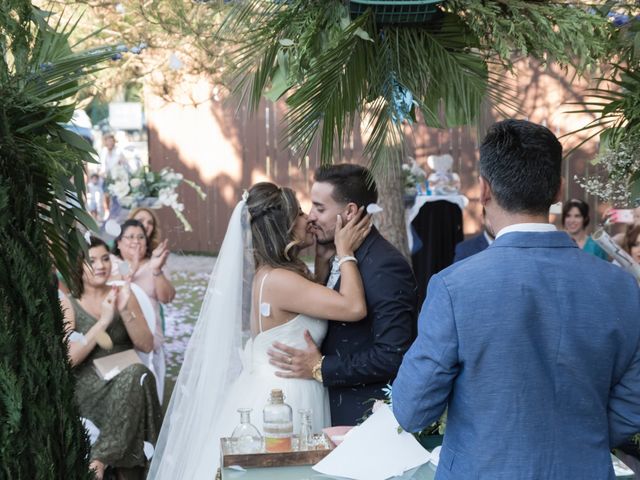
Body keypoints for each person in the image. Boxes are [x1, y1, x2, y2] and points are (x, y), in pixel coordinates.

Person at [393, 119, 640, 479]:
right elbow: (632, 400)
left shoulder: (454, 286)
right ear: (558, 190)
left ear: (484, 190)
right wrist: (582, 437)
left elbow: (413, 408)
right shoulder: (620, 286)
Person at [148, 182, 372, 479]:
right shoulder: (281, 281)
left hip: (275, 388)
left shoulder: (270, 274)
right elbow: (354, 307)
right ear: (287, 226)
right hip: (286, 401)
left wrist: (321, 262)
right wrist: (345, 253)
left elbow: (308, 304)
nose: (310, 219)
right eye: (302, 213)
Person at [268, 164, 418, 427]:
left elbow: (394, 355)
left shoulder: (385, 265)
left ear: (349, 211)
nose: (311, 217)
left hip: (360, 417)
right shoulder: (331, 254)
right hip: (321, 407)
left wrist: (322, 367)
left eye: (319, 208)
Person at [61, 236, 161, 480]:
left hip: (126, 375)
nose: (100, 265)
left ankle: (99, 459)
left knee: (138, 376)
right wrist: (104, 321)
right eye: (91, 260)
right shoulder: (69, 302)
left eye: (105, 258)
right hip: (90, 384)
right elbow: (69, 359)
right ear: (77, 265)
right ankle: (138, 467)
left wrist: (125, 308)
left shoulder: (122, 293)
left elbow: (146, 345)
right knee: (139, 377)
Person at [112, 219, 175, 402]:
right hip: (122, 345)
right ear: (119, 242)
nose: (136, 241)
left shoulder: (154, 265)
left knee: (152, 399)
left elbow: (167, 297)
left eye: (140, 236)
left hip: (151, 345)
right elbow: (122, 280)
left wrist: (156, 270)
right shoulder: (114, 264)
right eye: (130, 236)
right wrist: (132, 262)